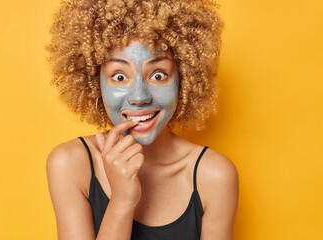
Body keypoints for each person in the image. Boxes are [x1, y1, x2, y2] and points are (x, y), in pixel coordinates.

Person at [45, 0, 239, 239]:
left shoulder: (214, 175)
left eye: (158, 75)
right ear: (96, 84)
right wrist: (123, 200)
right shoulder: (70, 164)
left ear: (184, 80)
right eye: (119, 76)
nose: (139, 97)